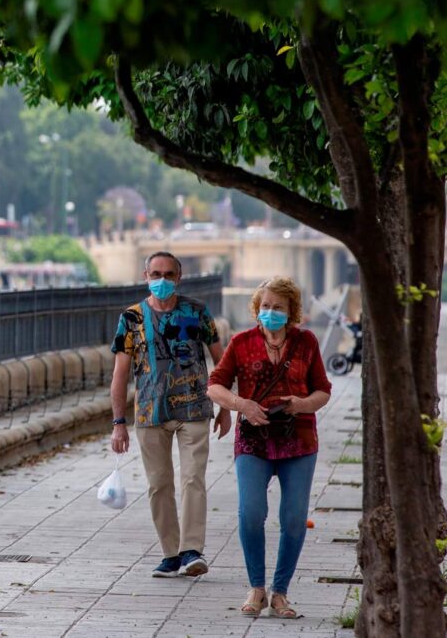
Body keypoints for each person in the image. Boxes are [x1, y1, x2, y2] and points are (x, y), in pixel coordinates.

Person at [206, 276, 331, 619]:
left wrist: (300, 404)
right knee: (251, 513)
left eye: (278, 307)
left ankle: (281, 592)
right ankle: (257, 588)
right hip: (253, 441)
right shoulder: (242, 342)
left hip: (299, 440)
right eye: (265, 307)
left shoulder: (306, 342)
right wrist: (241, 404)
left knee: (292, 519)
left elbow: (323, 390)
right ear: (256, 309)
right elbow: (214, 385)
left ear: (291, 311)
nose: (271, 313)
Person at [111, 251, 231, 578]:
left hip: (194, 407)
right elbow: (120, 374)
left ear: (179, 277)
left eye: (168, 274)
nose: (161, 280)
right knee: (159, 484)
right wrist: (118, 423)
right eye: (155, 274)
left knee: (193, 478)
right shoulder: (131, 318)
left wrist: (225, 407)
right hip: (150, 412)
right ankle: (171, 554)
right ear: (145, 275)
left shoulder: (197, 312)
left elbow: (222, 362)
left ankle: (192, 550)